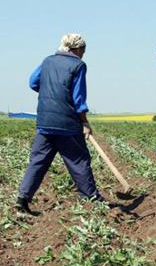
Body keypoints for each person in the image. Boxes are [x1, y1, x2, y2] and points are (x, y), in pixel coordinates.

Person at [16, 33, 102, 213]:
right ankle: (92, 199)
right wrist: (85, 122)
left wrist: (51, 92)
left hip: (45, 122)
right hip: (67, 123)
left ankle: (22, 199)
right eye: (83, 51)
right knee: (79, 160)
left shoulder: (47, 61)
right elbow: (78, 98)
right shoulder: (78, 65)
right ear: (76, 49)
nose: (83, 55)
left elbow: (33, 82)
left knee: (37, 161)